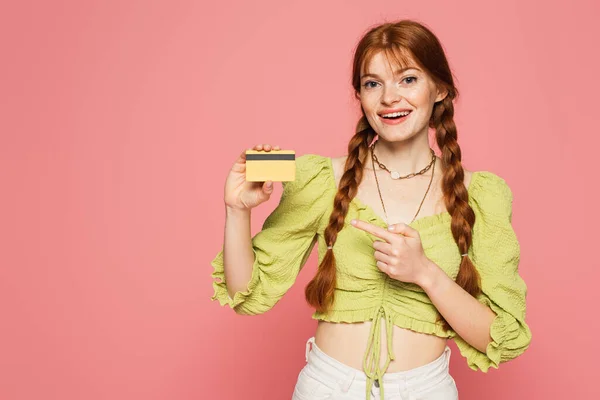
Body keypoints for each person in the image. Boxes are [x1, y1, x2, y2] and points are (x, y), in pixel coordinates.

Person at [210, 19, 532, 400]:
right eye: (372, 83)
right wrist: (237, 211)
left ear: (441, 89)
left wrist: (425, 273)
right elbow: (246, 292)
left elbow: (503, 338)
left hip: (425, 390)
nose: (389, 98)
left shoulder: (482, 195)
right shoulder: (319, 178)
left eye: (408, 79)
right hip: (327, 387)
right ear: (360, 96)